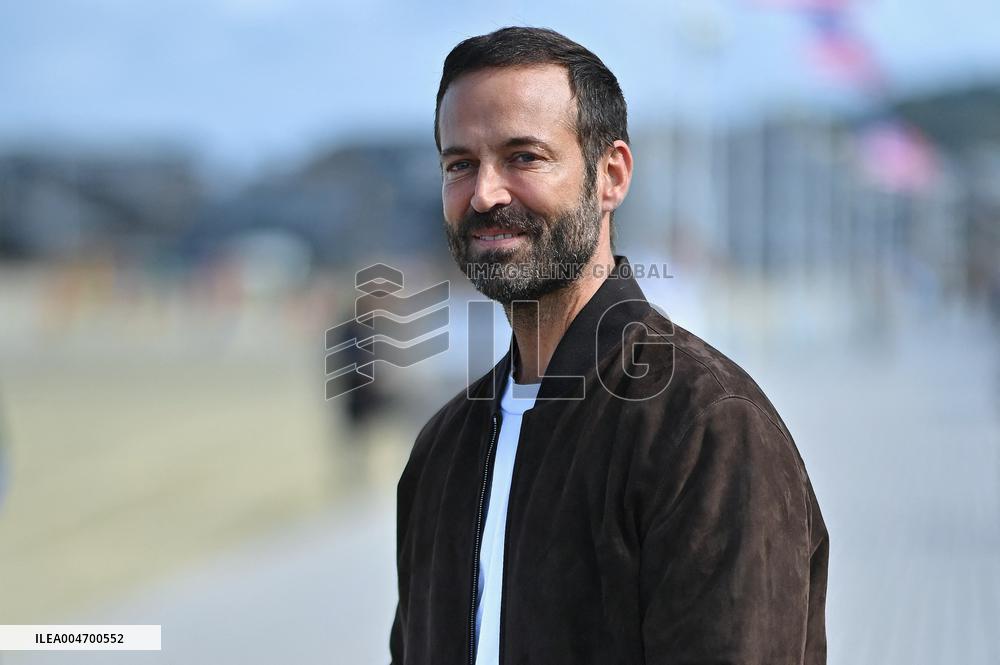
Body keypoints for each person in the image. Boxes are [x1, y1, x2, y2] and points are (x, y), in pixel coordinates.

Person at [390, 27, 828, 665]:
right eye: (460, 164)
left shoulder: (706, 428)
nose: (485, 193)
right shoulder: (443, 449)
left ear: (611, 176)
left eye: (524, 156)